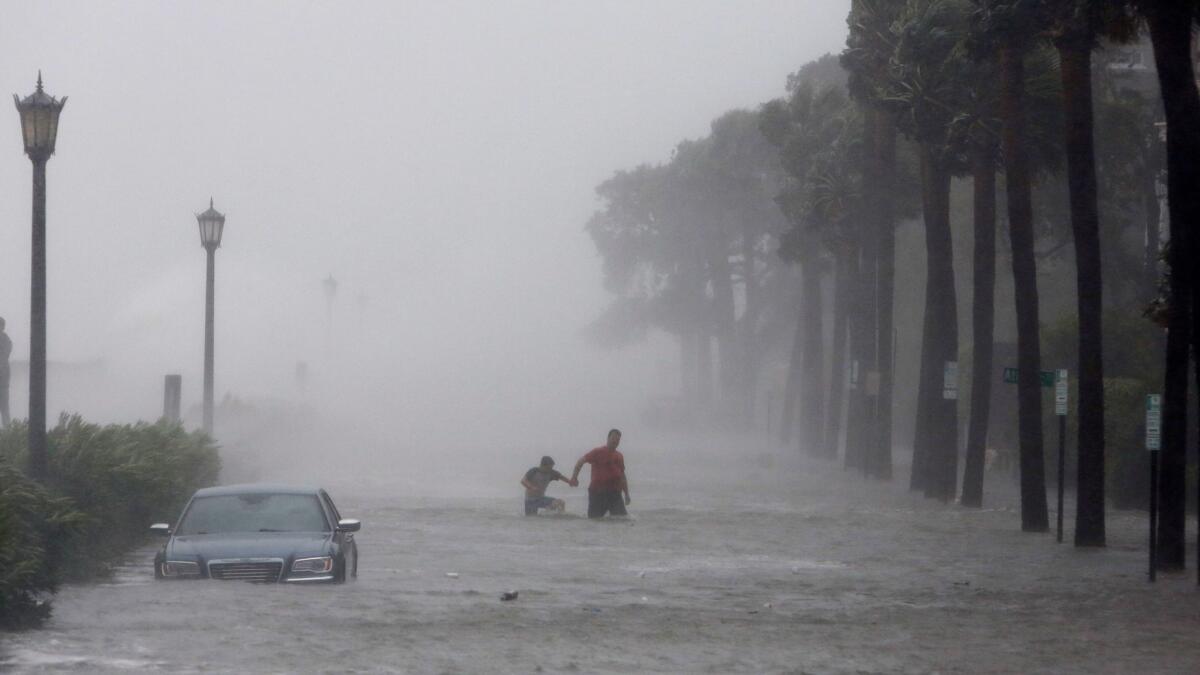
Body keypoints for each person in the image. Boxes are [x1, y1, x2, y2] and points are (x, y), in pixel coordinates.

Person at [570, 429, 630, 519]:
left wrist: (626, 494)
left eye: (618, 440)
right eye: (613, 438)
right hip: (597, 492)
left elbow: (622, 476)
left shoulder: (619, 456)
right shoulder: (598, 451)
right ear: (608, 438)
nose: (615, 441)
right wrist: (574, 477)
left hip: (615, 493)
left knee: (622, 519)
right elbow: (580, 461)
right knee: (594, 520)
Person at [0, 317, 10, 427]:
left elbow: (3, 358)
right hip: (4, 380)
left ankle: (9, 434)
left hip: (3, 382)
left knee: (4, 408)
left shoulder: (6, 341)